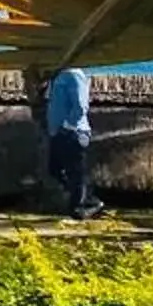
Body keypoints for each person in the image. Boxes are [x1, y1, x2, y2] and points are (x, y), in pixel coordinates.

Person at [45, 64, 101, 219]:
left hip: (73, 132)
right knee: (54, 170)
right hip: (58, 133)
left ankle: (78, 206)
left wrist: (67, 125)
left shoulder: (74, 74)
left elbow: (81, 105)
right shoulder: (59, 76)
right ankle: (87, 199)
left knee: (75, 172)